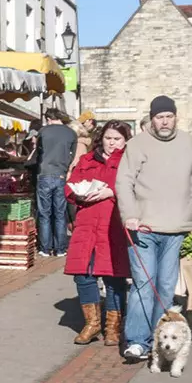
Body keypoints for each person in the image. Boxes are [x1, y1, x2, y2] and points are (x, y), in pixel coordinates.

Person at [115, 95, 192, 362]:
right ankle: (137, 341)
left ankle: (159, 338)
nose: (164, 121)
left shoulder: (188, 143)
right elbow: (123, 182)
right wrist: (129, 215)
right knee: (144, 284)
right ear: (151, 119)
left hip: (177, 227)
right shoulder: (137, 144)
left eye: (169, 116)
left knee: (166, 287)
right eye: (159, 117)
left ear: (176, 117)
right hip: (144, 227)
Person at [64, 120, 131, 345]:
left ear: (125, 141)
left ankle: (113, 327)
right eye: (108, 138)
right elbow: (69, 186)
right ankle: (92, 324)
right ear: (101, 138)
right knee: (83, 274)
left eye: (117, 139)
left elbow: (136, 190)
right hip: (86, 224)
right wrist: (78, 194)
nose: (112, 143)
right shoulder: (87, 160)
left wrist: (111, 192)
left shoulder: (128, 162)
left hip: (113, 225)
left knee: (114, 277)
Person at [34, 109, 77, 258]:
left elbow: (38, 153)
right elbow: (72, 156)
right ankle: (61, 249)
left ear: (48, 118)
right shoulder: (71, 133)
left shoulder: (43, 131)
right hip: (61, 175)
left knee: (44, 214)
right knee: (60, 213)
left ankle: (45, 249)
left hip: (44, 174)